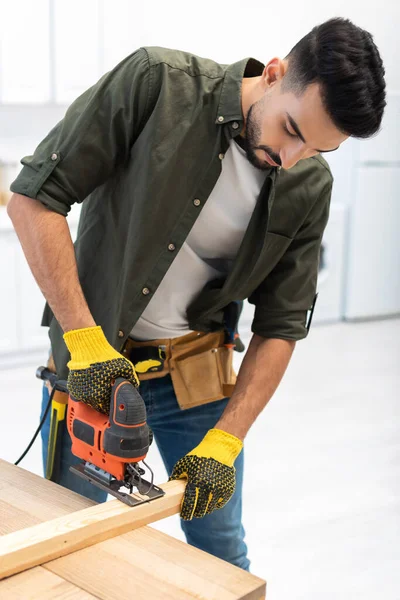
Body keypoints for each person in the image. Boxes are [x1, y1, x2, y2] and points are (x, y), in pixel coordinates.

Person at [7, 17, 386, 572]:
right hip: (94, 365)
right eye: (293, 130)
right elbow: (34, 201)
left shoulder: (309, 184)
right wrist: (83, 340)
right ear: (276, 73)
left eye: (318, 150)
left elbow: (280, 325)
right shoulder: (157, 84)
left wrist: (227, 441)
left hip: (196, 377)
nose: (292, 158)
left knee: (223, 552)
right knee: (66, 545)